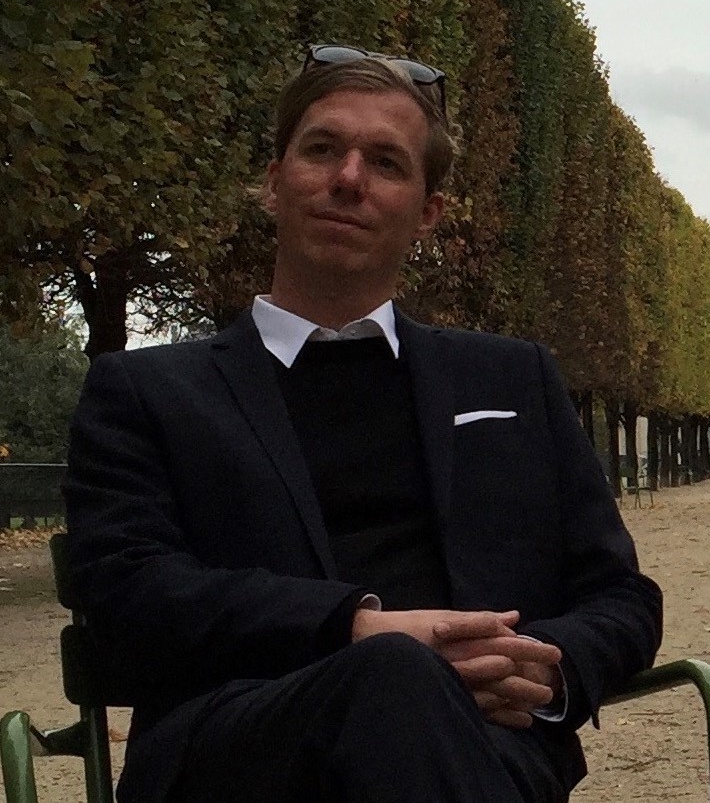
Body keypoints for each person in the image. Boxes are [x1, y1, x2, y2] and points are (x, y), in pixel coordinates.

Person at [65, 44, 663, 803]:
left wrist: (541, 666)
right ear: (274, 181)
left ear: (428, 213)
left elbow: (620, 596)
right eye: (322, 150)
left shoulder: (514, 378)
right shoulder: (146, 392)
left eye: (385, 163)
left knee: (409, 697)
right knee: (394, 677)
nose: (348, 179)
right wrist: (358, 631)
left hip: (483, 742)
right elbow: (126, 598)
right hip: (237, 753)